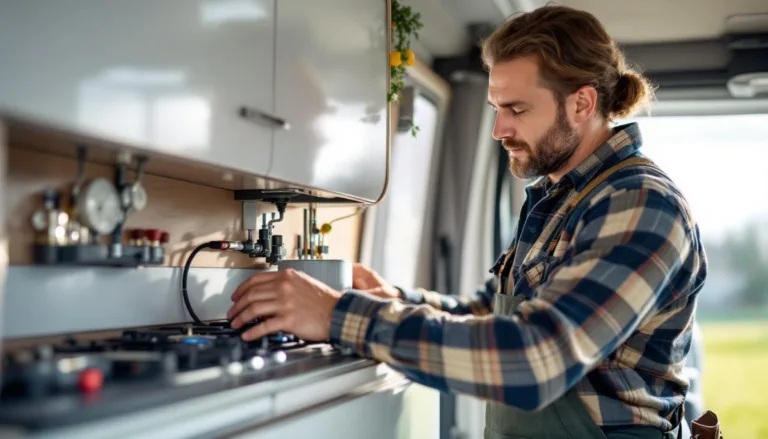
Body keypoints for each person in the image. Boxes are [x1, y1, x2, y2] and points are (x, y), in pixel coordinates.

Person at [227, 5, 707, 439]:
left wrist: (336, 316)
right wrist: (395, 299)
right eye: (496, 109)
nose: (500, 130)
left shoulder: (639, 202)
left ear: (581, 104)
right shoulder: (560, 197)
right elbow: (492, 313)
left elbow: (534, 360)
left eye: (517, 109)